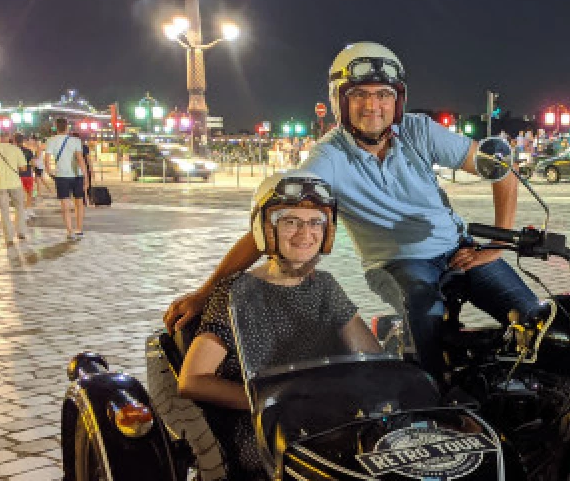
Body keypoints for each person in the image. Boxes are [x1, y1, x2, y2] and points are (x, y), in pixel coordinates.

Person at [165, 42, 540, 380]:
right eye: (360, 94)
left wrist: (497, 243)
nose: (373, 106)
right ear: (340, 101)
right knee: (425, 314)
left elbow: (500, 170)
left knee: (533, 318)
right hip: (397, 263)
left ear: (398, 100)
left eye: (383, 95)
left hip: (461, 250)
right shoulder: (328, 158)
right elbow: (271, 225)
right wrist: (205, 292)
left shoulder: (419, 131)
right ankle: (433, 402)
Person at [178, 176, 382, 476]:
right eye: (291, 222)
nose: (306, 233)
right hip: (266, 426)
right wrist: (272, 401)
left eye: (316, 223)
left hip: (328, 414)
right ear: (267, 230)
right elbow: (192, 381)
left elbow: (371, 355)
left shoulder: (325, 287)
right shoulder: (236, 292)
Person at [0, 131, 31, 244]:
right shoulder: (16, 149)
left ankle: (9, 237)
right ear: (9, 137)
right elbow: (24, 168)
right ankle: (21, 232)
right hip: (15, 183)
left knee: (4, 211)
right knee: (19, 207)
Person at [45, 117, 89, 240]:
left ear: (56, 127)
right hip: (77, 175)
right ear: (67, 127)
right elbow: (80, 159)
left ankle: (70, 231)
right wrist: (85, 175)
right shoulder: (76, 140)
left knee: (65, 205)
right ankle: (79, 229)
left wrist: (50, 172)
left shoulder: (51, 140)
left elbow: (47, 160)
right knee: (79, 203)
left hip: (62, 176)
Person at [14, 133, 36, 221]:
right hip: (28, 174)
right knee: (29, 193)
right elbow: (33, 163)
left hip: (17, 175)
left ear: (14, 141)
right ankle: (28, 210)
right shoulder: (28, 151)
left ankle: (22, 212)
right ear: (23, 141)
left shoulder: (13, 151)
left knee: (20, 195)